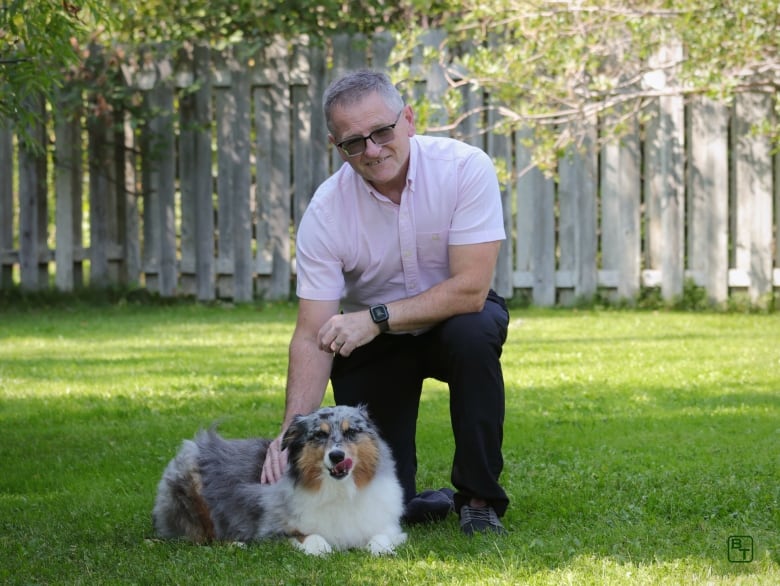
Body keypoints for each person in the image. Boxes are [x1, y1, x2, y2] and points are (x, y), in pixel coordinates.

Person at [260, 69, 510, 535]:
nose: (373, 151)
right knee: (388, 497)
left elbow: (471, 287)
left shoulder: (464, 167)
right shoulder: (326, 211)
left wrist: (376, 318)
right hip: (372, 343)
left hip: (451, 319)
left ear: (408, 120)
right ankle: (418, 500)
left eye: (382, 131)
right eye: (355, 142)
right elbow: (313, 334)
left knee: (474, 333)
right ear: (336, 145)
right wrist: (289, 432)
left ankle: (479, 499)